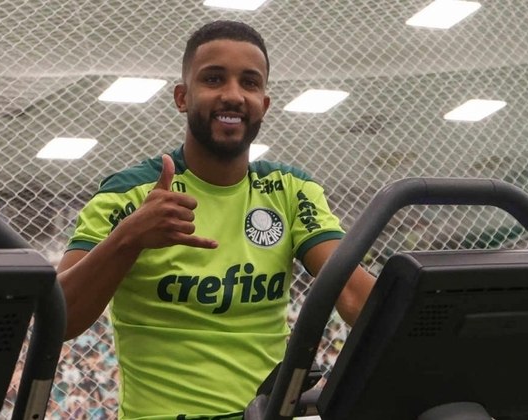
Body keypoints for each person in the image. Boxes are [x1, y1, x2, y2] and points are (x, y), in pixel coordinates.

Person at [57, 20, 375, 419]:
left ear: (264, 104)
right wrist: (129, 238)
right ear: (182, 97)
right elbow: (59, 318)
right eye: (213, 79)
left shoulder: (291, 190)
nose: (233, 95)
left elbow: (354, 295)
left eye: (249, 83)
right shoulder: (129, 193)